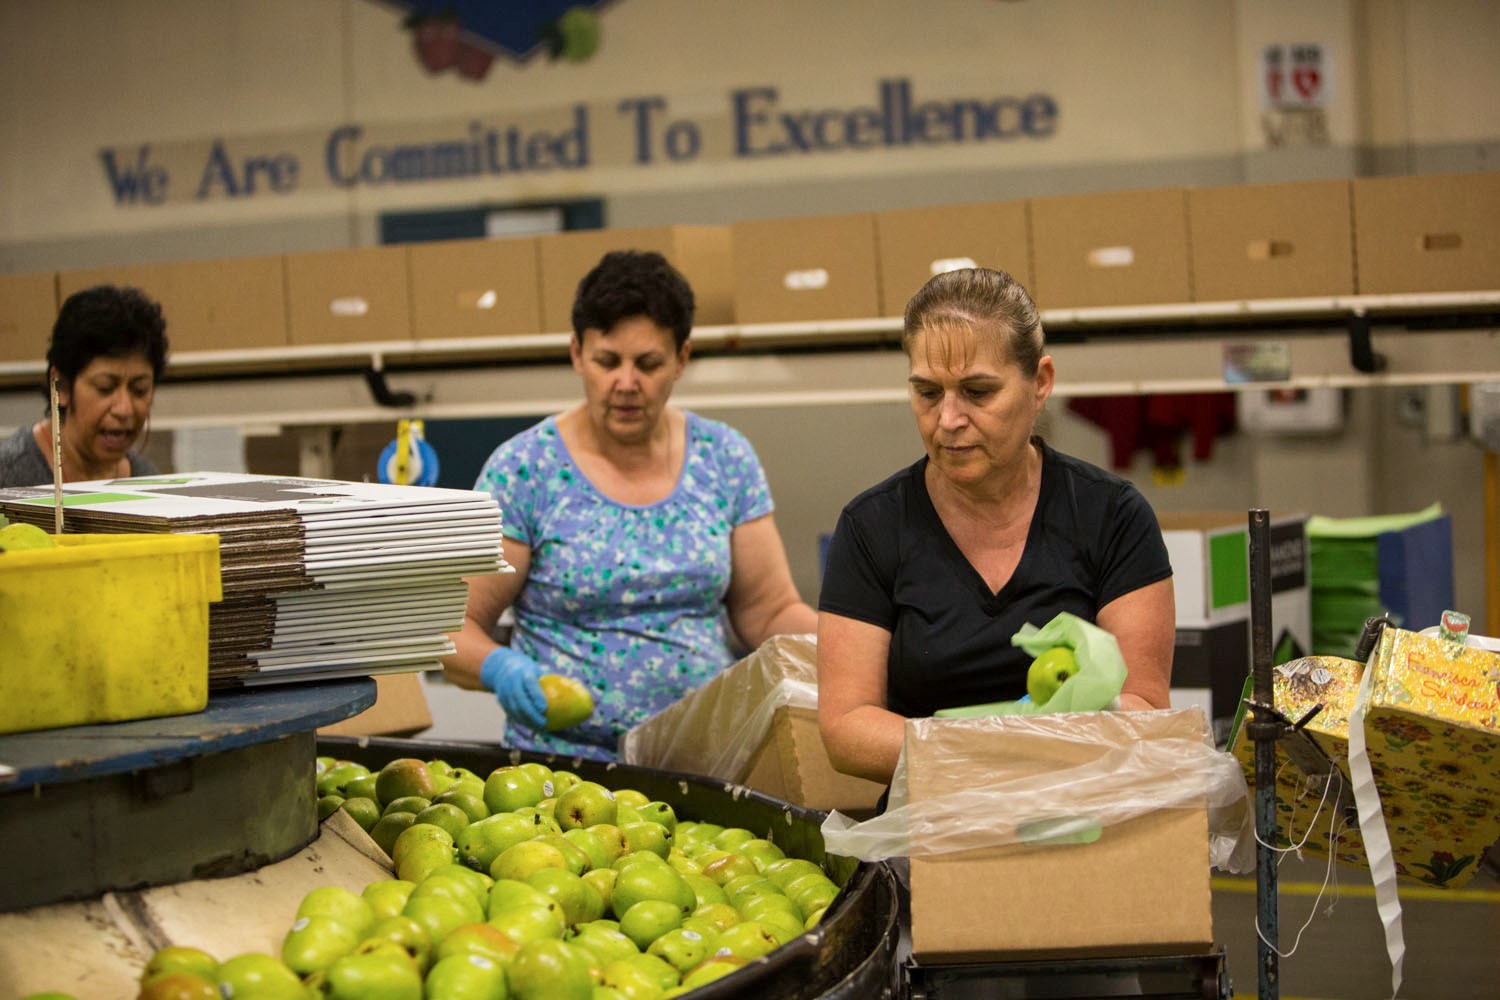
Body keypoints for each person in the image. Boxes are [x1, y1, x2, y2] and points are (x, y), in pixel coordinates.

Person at [444, 249, 817, 760]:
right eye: (606, 361)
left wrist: (849, 646)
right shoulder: (525, 470)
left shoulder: (724, 458)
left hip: (707, 757)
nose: (626, 383)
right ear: (576, 353)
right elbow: (452, 629)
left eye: (648, 364)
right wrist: (499, 668)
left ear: (682, 359)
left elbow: (768, 610)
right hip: (563, 767)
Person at [817, 267, 1175, 785]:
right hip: (934, 828)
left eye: (978, 392)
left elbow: (1144, 706)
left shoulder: (1110, 515)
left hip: (1082, 814)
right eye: (927, 393)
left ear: (1041, 384)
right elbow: (847, 729)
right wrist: (995, 752)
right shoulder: (873, 528)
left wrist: (1015, 749)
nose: (948, 420)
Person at [0, 285, 168, 488]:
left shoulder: (146, 480)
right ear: (61, 386)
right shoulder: (8, 475)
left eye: (139, 390)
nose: (124, 409)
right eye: (105, 388)